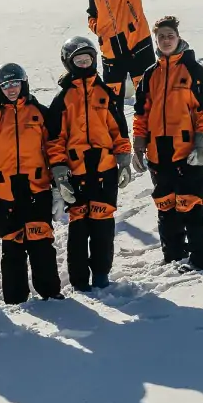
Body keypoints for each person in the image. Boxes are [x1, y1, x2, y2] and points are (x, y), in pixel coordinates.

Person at [46, 35, 133, 292]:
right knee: (79, 226)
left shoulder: (105, 93)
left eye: (88, 60)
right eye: (78, 61)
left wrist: (124, 160)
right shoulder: (63, 99)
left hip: (105, 169)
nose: (84, 64)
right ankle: (79, 279)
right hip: (76, 172)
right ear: (69, 64)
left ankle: (102, 273)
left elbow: (119, 129)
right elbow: (54, 139)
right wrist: (60, 173)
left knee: (102, 225)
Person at [132, 16, 203, 268]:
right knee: (166, 206)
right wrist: (138, 146)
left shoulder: (195, 72)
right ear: (155, 41)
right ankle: (173, 257)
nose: (166, 40)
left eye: (170, 36)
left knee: (189, 204)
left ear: (178, 37)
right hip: (158, 152)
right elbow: (141, 115)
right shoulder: (149, 75)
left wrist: (201, 145)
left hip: (188, 151)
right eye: (161, 37)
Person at [0, 62, 63, 303]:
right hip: (5, 194)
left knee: (41, 243)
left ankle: (50, 293)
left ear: (23, 83)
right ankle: (15, 299)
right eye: (5, 85)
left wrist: (58, 190)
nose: (11, 89)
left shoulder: (40, 113)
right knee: (12, 247)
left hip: (37, 189)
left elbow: (54, 152)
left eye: (15, 83)